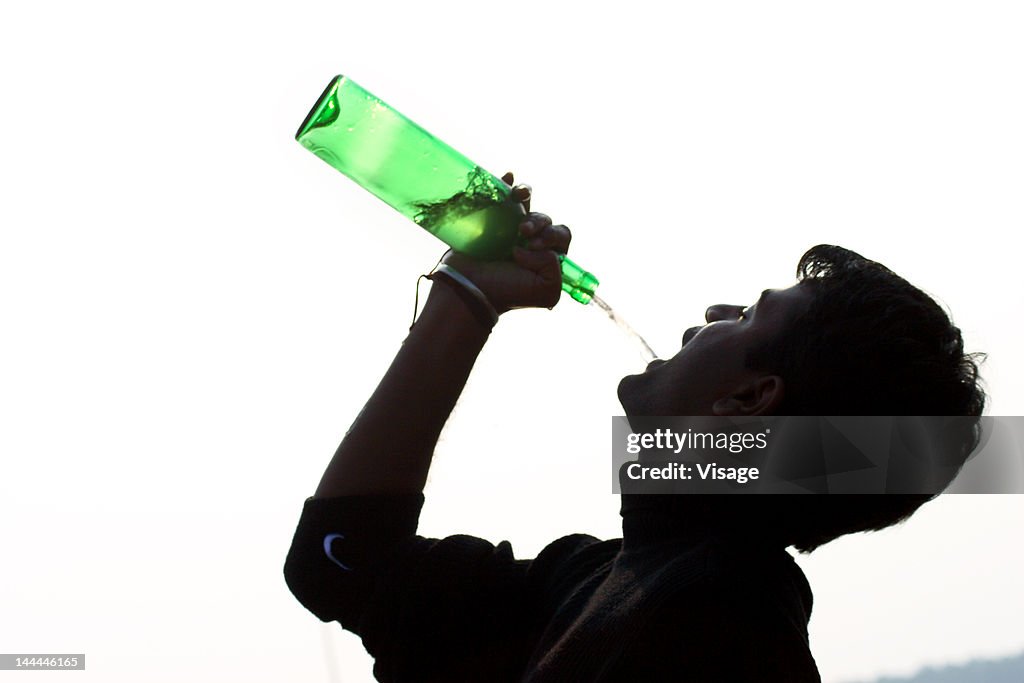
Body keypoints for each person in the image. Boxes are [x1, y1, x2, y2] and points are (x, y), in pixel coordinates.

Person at [284, 176, 985, 681]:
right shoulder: (597, 579)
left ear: (748, 397)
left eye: (744, 316)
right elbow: (342, 560)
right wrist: (467, 296)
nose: (708, 313)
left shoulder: (721, 632)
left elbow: (342, 560)